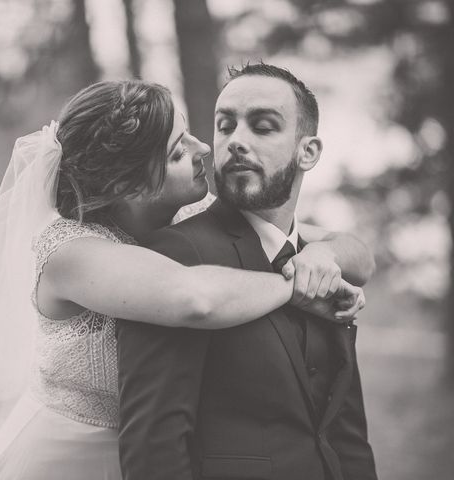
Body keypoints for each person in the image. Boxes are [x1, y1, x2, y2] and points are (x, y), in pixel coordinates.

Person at [0, 79, 373, 480]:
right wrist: (294, 286)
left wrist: (321, 256)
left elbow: (352, 251)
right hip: (66, 460)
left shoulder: (191, 216)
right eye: (179, 151)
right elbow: (192, 298)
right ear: (132, 184)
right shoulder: (70, 252)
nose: (204, 149)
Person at [117, 64, 378, 480]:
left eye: (263, 127)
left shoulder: (323, 265)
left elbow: (344, 433)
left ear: (307, 152)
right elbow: (154, 448)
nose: (236, 141)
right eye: (225, 126)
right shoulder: (176, 256)